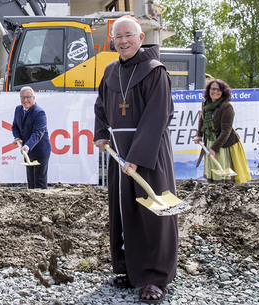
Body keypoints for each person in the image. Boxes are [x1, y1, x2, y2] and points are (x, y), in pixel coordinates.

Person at [94, 16, 177, 304]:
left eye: (128, 35)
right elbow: (101, 106)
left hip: (148, 154)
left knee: (151, 213)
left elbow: (158, 115)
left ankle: (155, 277)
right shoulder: (110, 71)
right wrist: (102, 133)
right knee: (123, 210)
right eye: (118, 37)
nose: (123, 41)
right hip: (119, 153)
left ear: (141, 37)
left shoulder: (155, 71)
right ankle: (129, 268)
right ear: (112, 41)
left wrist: (138, 157)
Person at [193, 79, 251, 184]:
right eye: (213, 89)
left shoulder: (226, 107)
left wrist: (214, 148)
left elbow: (226, 131)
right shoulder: (206, 103)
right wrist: (199, 136)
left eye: (218, 90)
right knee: (213, 169)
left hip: (224, 143)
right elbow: (202, 119)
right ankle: (214, 190)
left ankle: (225, 190)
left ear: (223, 92)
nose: (215, 92)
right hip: (210, 139)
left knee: (224, 171)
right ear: (209, 90)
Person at [12, 87, 51, 189]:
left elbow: (38, 133)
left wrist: (27, 146)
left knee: (39, 182)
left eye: (28, 97)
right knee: (31, 181)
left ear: (33, 97)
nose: (25, 100)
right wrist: (17, 137)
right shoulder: (18, 109)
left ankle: (42, 202)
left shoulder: (39, 113)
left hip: (40, 151)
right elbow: (15, 126)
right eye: (23, 97)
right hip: (27, 151)